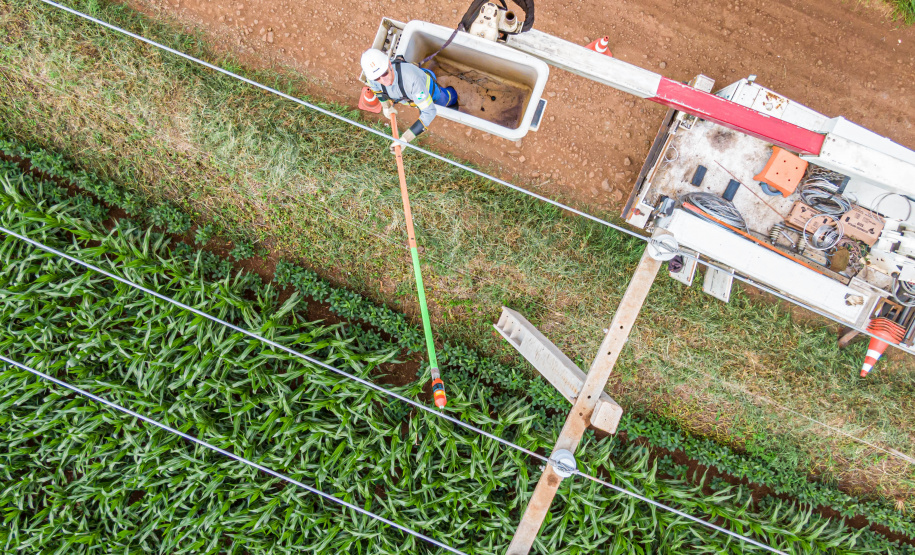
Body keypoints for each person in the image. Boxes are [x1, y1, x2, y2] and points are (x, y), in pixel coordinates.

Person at [360, 49, 458, 154]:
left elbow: (429, 112)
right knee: (422, 108)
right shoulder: (372, 78)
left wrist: (405, 139)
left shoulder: (412, 81)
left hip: (430, 91)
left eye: (384, 73)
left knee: (446, 98)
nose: (383, 81)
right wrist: (386, 106)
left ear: (389, 64)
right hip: (413, 96)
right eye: (377, 78)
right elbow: (377, 89)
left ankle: (453, 99)